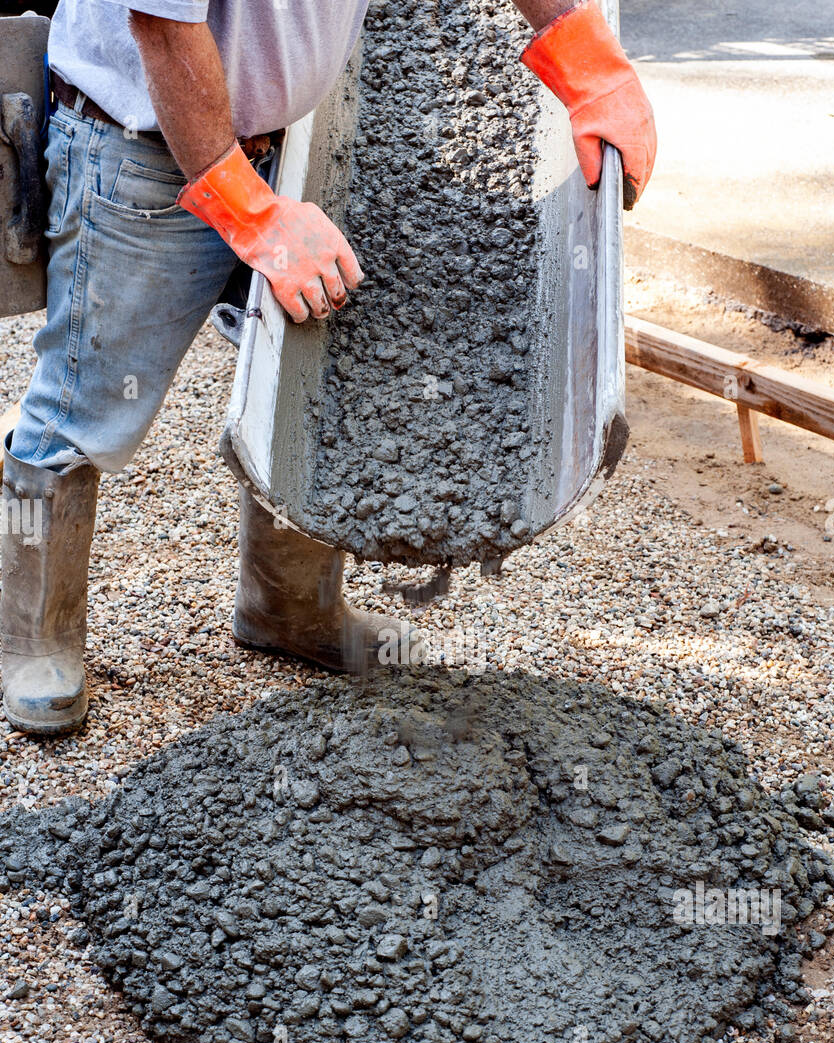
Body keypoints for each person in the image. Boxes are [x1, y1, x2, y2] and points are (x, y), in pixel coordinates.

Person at [1, 0, 655, 735]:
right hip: (140, 152)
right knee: (83, 399)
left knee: (309, 360)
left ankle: (287, 608)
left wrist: (579, 50)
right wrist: (249, 213)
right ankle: (35, 639)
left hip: (292, 142)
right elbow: (161, 25)